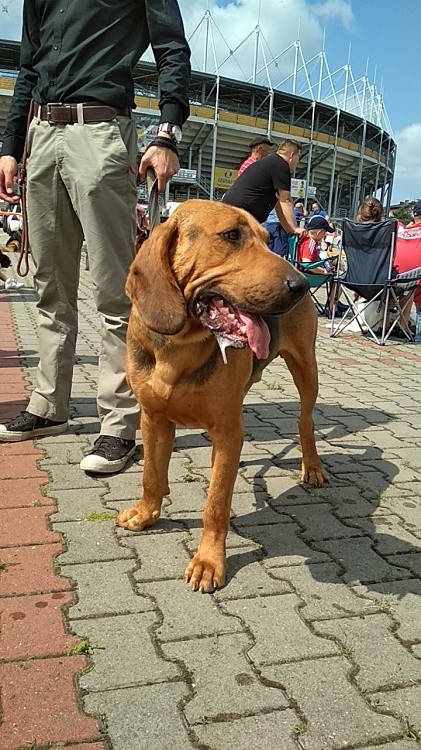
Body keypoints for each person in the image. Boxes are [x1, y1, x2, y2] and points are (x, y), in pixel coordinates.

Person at [0, 0, 191, 475]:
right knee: (50, 285)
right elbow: (28, 65)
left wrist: (166, 134)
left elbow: (172, 50)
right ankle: (48, 405)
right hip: (40, 135)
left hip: (101, 131)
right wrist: (8, 147)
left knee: (114, 290)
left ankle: (121, 425)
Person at [222, 139, 303, 243]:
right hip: (241, 216)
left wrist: (289, 229)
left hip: (234, 212)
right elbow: (285, 200)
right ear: (292, 155)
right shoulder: (281, 165)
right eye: (298, 158)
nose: (297, 162)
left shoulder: (271, 162)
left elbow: (278, 203)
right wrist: (295, 228)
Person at [297, 215, 347, 315]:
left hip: (306, 271)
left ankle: (334, 302)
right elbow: (307, 264)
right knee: (340, 275)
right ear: (319, 232)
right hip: (308, 275)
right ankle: (331, 306)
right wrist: (325, 271)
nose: (325, 235)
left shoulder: (308, 240)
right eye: (324, 232)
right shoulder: (310, 243)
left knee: (338, 266)